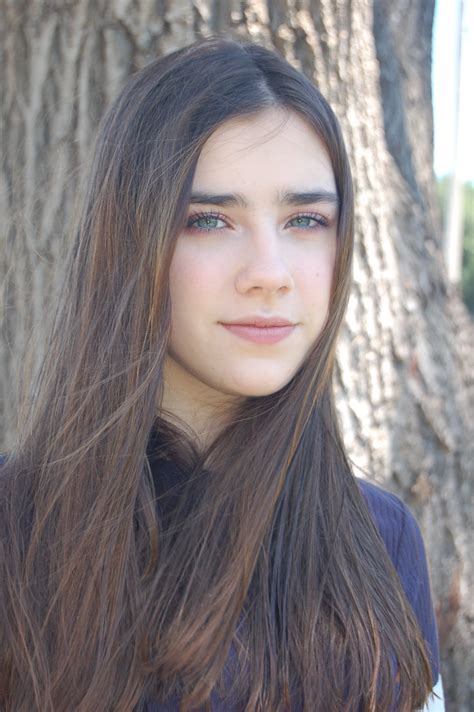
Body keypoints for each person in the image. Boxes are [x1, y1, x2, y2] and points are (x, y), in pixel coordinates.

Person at [0, 36, 443, 711]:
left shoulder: (383, 539)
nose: (269, 273)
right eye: (209, 219)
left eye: (306, 220)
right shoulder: (16, 530)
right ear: (132, 240)